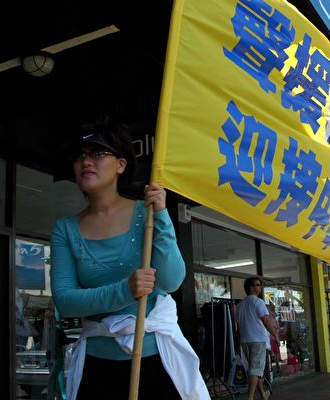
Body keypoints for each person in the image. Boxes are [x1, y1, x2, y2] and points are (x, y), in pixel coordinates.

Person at [50, 117, 208, 400]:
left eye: (98, 153)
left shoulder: (146, 213)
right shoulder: (64, 229)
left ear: (121, 165)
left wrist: (161, 215)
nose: (86, 161)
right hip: (96, 368)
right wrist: (126, 290)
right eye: (80, 156)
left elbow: (171, 280)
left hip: (157, 361)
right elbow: (65, 301)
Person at [236, 277, 279, 400]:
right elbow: (266, 320)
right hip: (258, 340)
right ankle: (250, 397)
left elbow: (238, 326)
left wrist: (238, 344)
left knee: (255, 370)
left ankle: (262, 394)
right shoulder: (258, 302)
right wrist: (275, 335)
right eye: (258, 285)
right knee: (255, 370)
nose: (260, 287)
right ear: (251, 287)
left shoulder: (240, 305)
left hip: (245, 340)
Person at [267, 302, 282, 372]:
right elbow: (277, 327)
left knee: (274, 352)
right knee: (274, 352)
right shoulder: (271, 315)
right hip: (273, 337)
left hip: (273, 337)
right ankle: (275, 365)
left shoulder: (270, 315)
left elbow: (277, 327)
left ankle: (275, 365)